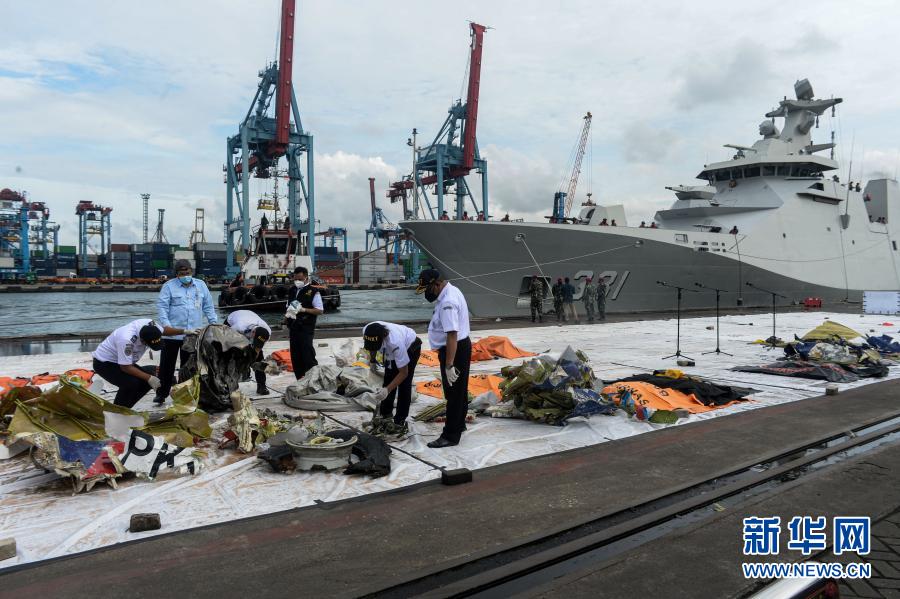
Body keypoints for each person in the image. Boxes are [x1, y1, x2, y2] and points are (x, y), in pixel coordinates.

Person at [415, 269, 471, 448]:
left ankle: (450, 436)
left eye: (428, 289)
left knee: (453, 394)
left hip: (454, 350)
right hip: (458, 347)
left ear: (437, 284)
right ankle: (459, 424)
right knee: (459, 391)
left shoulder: (448, 302)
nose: (427, 293)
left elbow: (452, 335)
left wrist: (449, 365)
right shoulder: (452, 290)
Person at [155, 259, 217, 403]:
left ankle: (186, 393)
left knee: (189, 366)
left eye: (187, 272)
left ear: (191, 271)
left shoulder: (201, 286)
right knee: (166, 366)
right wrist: (167, 326)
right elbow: (162, 307)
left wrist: (213, 323)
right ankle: (162, 393)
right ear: (176, 274)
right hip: (172, 335)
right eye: (181, 273)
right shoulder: (168, 286)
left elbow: (208, 306)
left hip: (192, 334)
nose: (185, 275)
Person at [92, 319, 185, 408]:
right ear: (143, 341)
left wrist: (185, 331)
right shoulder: (126, 340)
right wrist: (149, 378)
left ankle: (125, 407)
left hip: (124, 362)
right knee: (131, 383)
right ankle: (117, 410)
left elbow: (164, 330)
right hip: (104, 363)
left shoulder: (151, 325)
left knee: (147, 380)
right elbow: (125, 367)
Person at [363, 321, 422, 433]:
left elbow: (403, 373)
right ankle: (386, 414)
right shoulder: (368, 330)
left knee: (404, 384)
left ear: (384, 337)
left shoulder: (395, 343)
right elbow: (372, 347)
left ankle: (399, 421)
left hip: (410, 346)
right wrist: (372, 360)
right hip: (392, 346)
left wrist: (386, 390)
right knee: (389, 377)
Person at [285, 266, 324, 379]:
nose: (298, 282)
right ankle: (300, 380)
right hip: (293, 327)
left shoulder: (313, 291)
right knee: (295, 356)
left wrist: (304, 310)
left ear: (306, 278)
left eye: (300, 279)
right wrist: (285, 318)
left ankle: (313, 379)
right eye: (296, 279)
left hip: (306, 328)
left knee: (307, 355)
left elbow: (320, 310)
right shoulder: (292, 290)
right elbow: (288, 306)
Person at [225, 309, 271, 395]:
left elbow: (258, 349)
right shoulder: (238, 326)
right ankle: (228, 386)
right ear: (253, 333)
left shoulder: (267, 331)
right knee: (231, 356)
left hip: (249, 317)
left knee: (260, 358)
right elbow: (226, 340)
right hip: (232, 321)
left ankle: (261, 386)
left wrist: (254, 360)